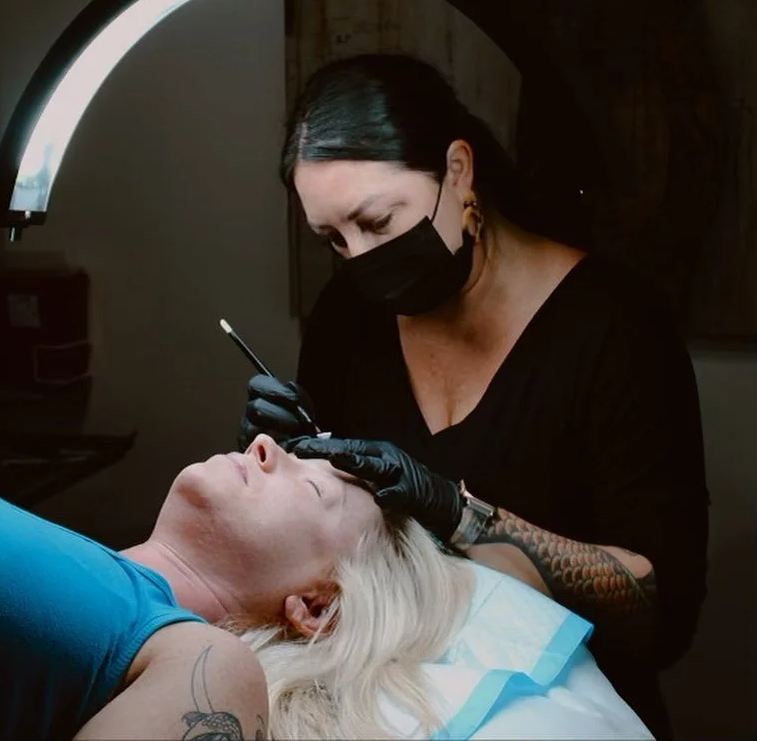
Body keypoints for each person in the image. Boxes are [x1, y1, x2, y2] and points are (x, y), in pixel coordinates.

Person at [241, 52, 710, 739]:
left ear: (458, 171)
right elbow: (331, 547)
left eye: (378, 222)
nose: (359, 258)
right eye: (332, 239)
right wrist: (286, 455)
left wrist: (460, 515)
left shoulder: (616, 331)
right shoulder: (350, 318)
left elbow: (660, 611)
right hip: (395, 707)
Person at [0, 436, 651, 741]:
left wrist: (457, 510)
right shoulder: (84, 569)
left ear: (315, 607)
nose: (263, 443)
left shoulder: (210, 671)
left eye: (313, 487)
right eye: (291, 452)